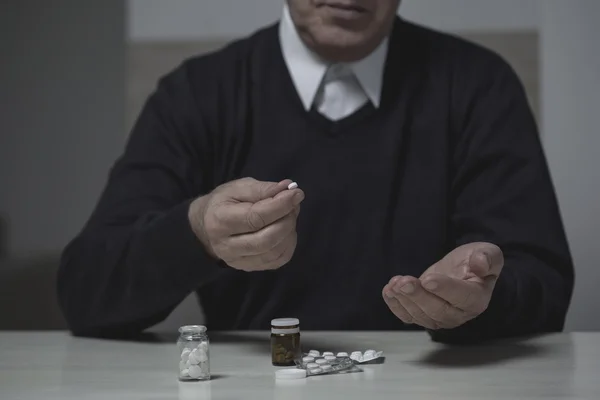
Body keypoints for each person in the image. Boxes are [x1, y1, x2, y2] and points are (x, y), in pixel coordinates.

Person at [57, 0, 574, 343]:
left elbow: (545, 284)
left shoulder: (479, 86)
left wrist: (483, 295)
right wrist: (196, 231)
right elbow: (87, 294)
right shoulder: (195, 94)